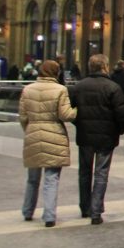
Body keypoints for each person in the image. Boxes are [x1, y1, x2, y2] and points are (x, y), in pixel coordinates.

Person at [70, 54, 124, 225]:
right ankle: (96, 211)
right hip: (106, 136)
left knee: (84, 172)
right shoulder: (113, 87)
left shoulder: (78, 87)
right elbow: (120, 114)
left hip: (85, 135)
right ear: (105, 66)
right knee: (101, 173)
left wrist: (79, 123)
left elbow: (70, 111)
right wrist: (120, 129)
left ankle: (85, 207)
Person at [20, 60, 77, 227]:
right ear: (56, 73)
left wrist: (29, 130)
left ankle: (27, 211)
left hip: (33, 134)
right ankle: (49, 216)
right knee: (51, 178)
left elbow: (23, 117)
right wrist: (77, 110)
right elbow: (66, 115)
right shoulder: (60, 90)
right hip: (54, 136)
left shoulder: (27, 89)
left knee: (32, 178)